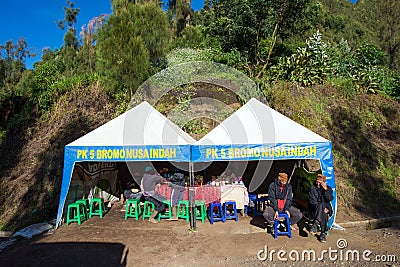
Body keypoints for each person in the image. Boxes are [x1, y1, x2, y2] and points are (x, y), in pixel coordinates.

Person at [309, 174, 333, 242]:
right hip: (314, 207)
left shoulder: (328, 189)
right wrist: (322, 207)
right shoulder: (312, 188)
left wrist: (325, 189)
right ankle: (323, 233)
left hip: (326, 208)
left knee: (324, 212)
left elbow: (329, 199)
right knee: (321, 208)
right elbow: (312, 201)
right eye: (317, 182)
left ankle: (316, 224)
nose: (318, 184)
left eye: (320, 182)